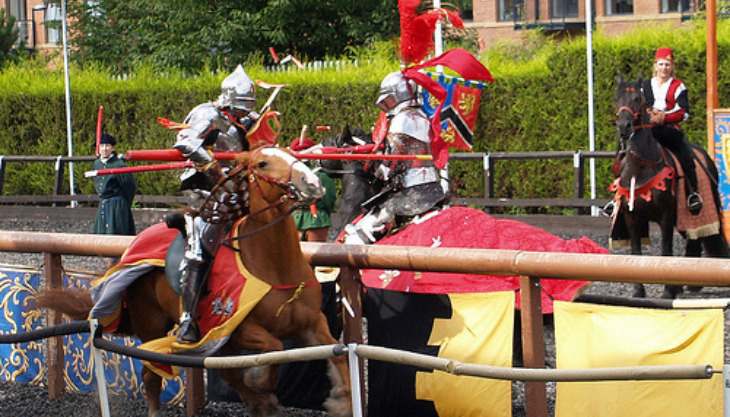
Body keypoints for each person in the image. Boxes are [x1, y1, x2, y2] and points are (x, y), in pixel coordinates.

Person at [171, 64, 260, 343]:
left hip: (238, 186)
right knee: (202, 241)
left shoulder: (248, 119)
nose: (244, 112)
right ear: (229, 100)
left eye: (247, 108)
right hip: (203, 186)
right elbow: (185, 143)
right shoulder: (207, 113)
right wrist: (214, 169)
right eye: (241, 107)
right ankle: (188, 320)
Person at [343, 71, 447, 245]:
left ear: (396, 94)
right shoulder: (421, 115)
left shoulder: (403, 119)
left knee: (359, 235)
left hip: (410, 191)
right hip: (430, 186)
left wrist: (361, 160)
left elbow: (387, 169)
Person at [643, 47, 702, 213]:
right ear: (655, 66)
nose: (664, 68)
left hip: (668, 128)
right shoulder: (646, 85)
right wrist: (649, 115)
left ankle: (693, 193)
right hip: (646, 128)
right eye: (661, 64)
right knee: (626, 149)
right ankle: (618, 196)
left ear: (672, 67)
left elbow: (684, 112)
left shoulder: (678, 86)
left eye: (667, 65)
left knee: (685, 155)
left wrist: (664, 118)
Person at [289, 136, 337, 242]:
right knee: (317, 256)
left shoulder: (288, 173)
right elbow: (329, 198)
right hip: (318, 220)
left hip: (292, 219)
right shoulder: (321, 172)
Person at [92, 133, 137, 236]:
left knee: (116, 232)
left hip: (117, 205)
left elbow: (130, 187)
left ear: (112, 148)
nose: (104, 149)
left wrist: (124, 205)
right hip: (103, 203)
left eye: (107, 146)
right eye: (101, 146)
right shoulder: (97, 163)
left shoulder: (119, 165)